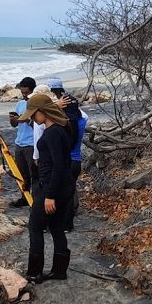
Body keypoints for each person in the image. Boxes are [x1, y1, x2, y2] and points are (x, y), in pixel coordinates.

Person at [18, 93, 76, 283]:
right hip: (65, 186)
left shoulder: (52, 134)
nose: (33, 119)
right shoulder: (62, 127)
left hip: (52, 187)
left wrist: (50, 195)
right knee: (56, 227)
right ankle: (59, 271)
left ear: (43, 112)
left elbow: (59, 165)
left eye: (34, 115)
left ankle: (34, 273)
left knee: (34, 227)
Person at [47, 77, 88, 232]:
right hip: (76, 160)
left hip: (65, 161)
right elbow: (82, 114)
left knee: (57, 192)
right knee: (69, 194)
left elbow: (46, 114)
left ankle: (59, 223)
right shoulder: (82, 121)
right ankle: (67, 225)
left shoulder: (61, 124)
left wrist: (56, 106)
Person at [8, 77, 37, 207]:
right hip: (20, 143)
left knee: (34, 174)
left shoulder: (36, 103)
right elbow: (14, 125)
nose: (24, 95)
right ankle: (24, 197)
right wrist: (14, 119)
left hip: (31, 144)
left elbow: (38, 125)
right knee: (22, 174)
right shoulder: (20, 104)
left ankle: (36, 201)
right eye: (22, 93)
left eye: (26, 93)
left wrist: (26, 119)